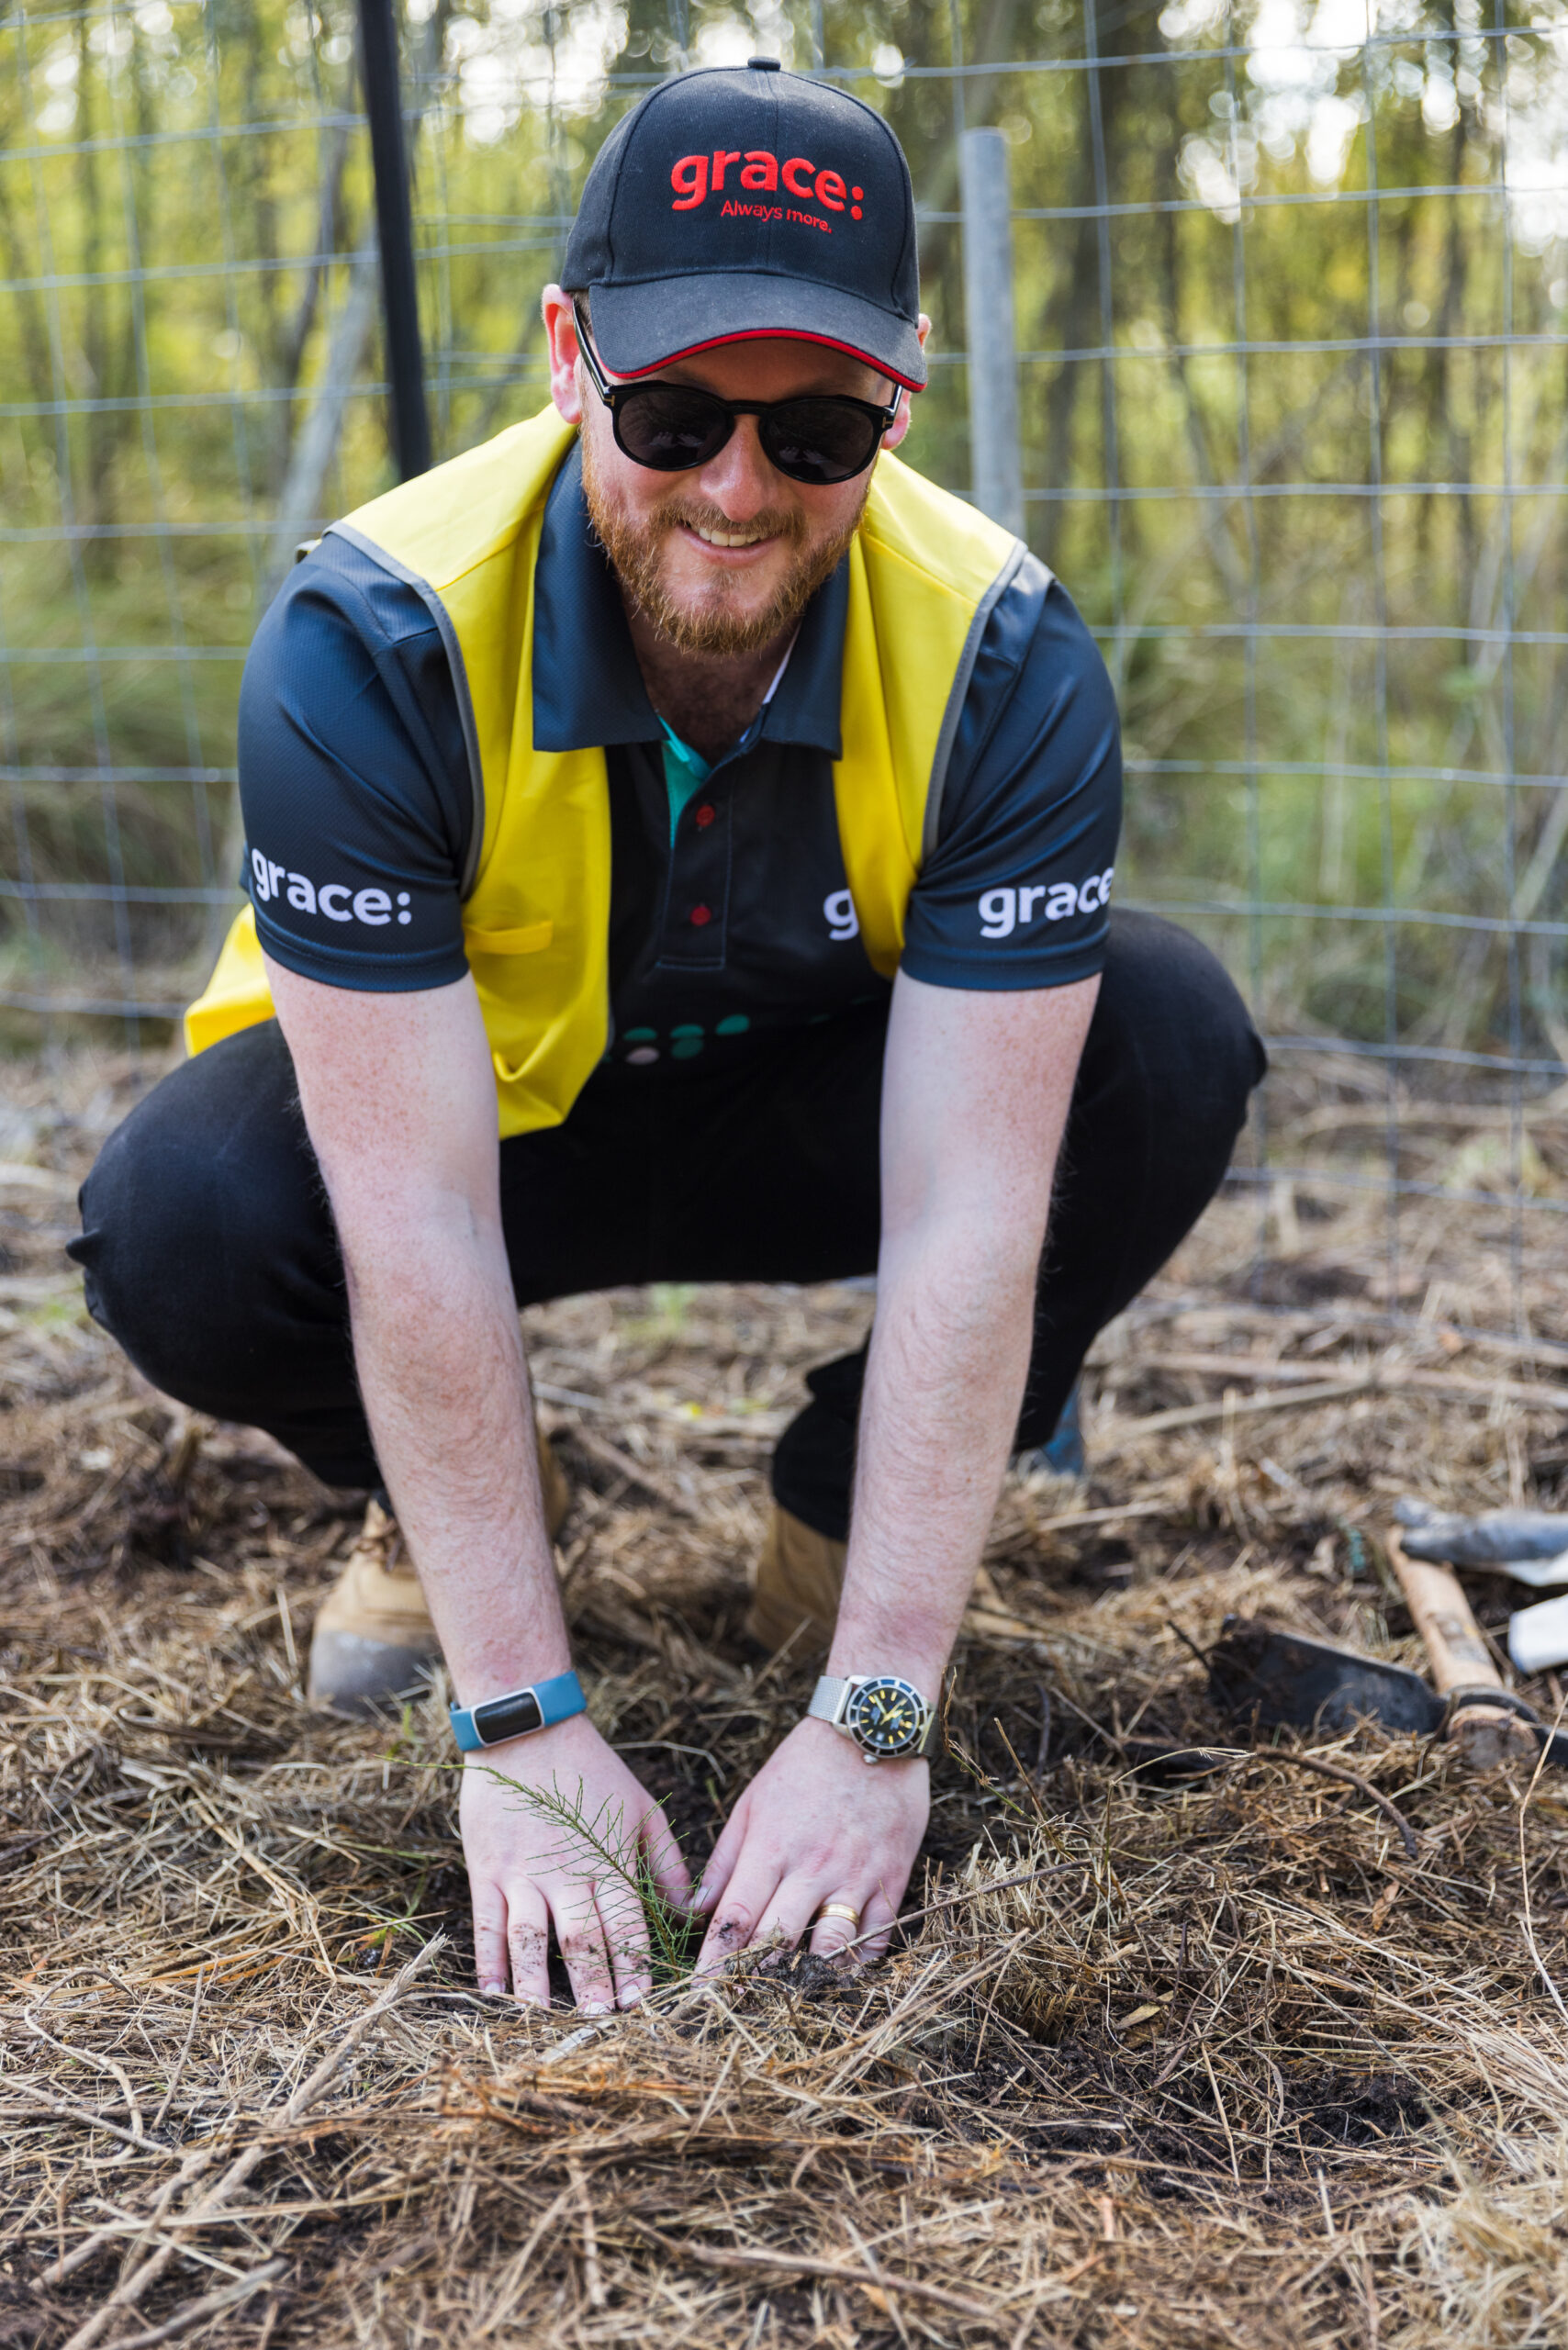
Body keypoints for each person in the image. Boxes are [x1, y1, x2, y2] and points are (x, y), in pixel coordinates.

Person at [71, 60, 1263, 2012]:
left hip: (814, 1105)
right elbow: (409, 1212)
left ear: (903, 393)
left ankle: (829, 1492)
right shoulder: (368, 638)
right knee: (177, 1216)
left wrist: (877, 1710)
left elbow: (974, 1203)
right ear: (565, 355)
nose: (735, 487)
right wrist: (518, 1718)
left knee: (1165, 1031)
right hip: (484, 1145)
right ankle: (439, 1495)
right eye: (674, 410)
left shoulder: (1005, 653)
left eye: (815, 429)